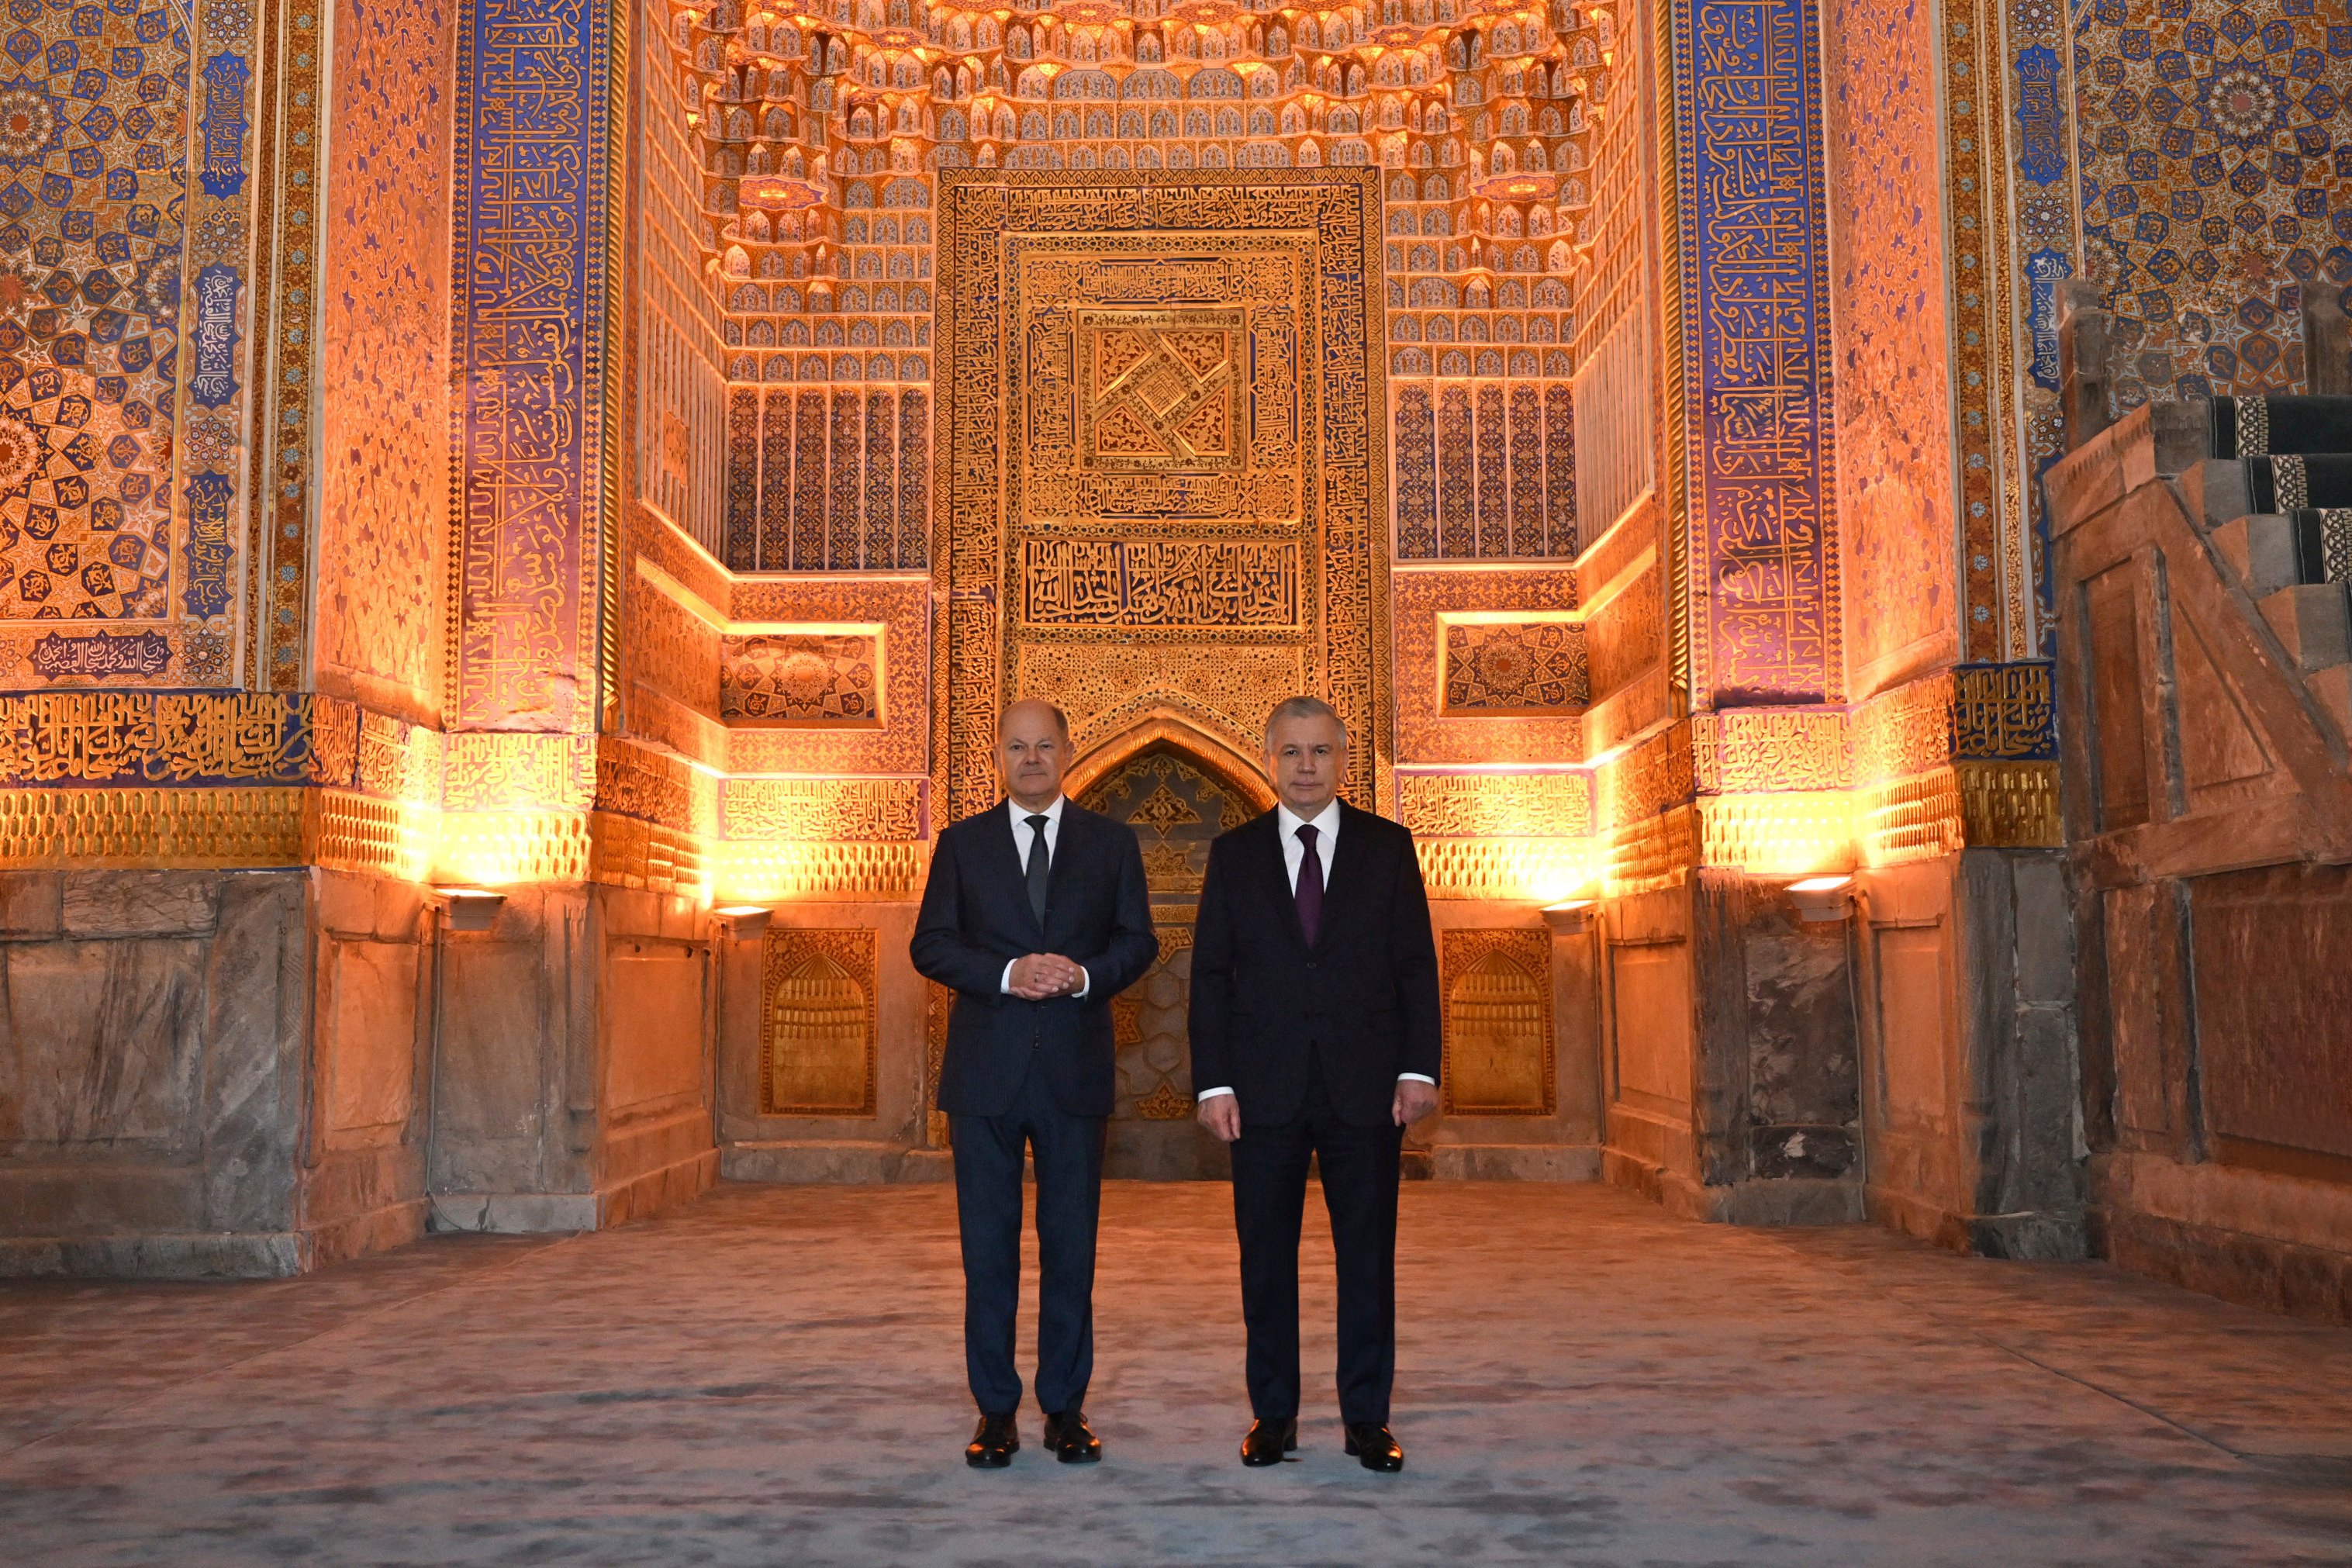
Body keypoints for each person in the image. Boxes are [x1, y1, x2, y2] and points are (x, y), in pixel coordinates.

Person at [1189, 694, 1442, 1473]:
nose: (1306, 767)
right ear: (1270, 759)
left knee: (1368, 1259)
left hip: (1365, 1089)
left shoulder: (1387, 848)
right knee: (1265, 1261)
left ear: (1342, 758)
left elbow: (1414, 967)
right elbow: (1211, 979)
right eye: (1292, 752)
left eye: (1320, 752)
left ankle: (1368, 1419)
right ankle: (1275, 1416)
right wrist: (1213, 1084)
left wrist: (1417, 1068)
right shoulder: (1233, 855)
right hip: (1260, 1094)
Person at [910, 698, 1157, 1469]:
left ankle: (1065, 1408)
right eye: (1016, 747)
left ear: (1067, 750)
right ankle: (994, 1411)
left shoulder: (1112, 844)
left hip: (1073, 1074)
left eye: (1044, 746)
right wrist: (1009, 973)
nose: (1031, 759)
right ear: (998, 757)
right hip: (985, 1076)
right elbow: (932, 945)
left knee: (1070, 1248)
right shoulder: (962, 844)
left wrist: (1085, 975)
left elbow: (1139, 942)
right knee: (988, 1251)